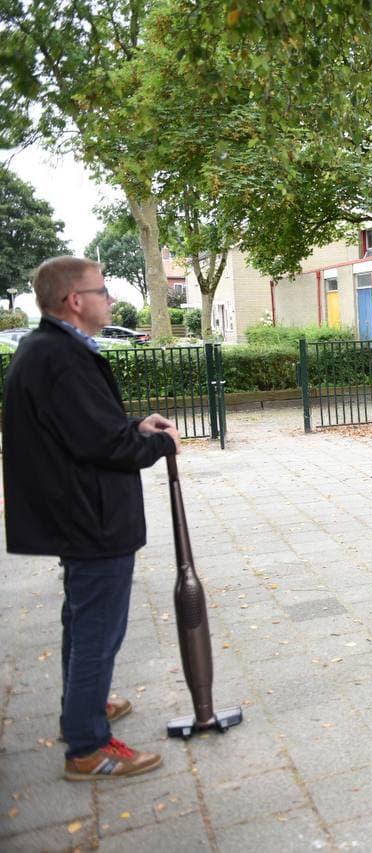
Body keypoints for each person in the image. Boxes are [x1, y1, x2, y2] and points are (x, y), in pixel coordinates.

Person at [3, 256, 180, 781]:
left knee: (84, 620)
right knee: (97, 629)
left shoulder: (50, 349)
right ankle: (87, 747)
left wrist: (136, 426)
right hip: (90, 515)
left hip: (78, 511)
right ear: (75, 301)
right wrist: (159, 444)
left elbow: (87, 427)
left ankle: (83, 707)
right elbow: (102, 445)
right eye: (102, 291)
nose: (111, 299)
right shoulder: (61, 358)